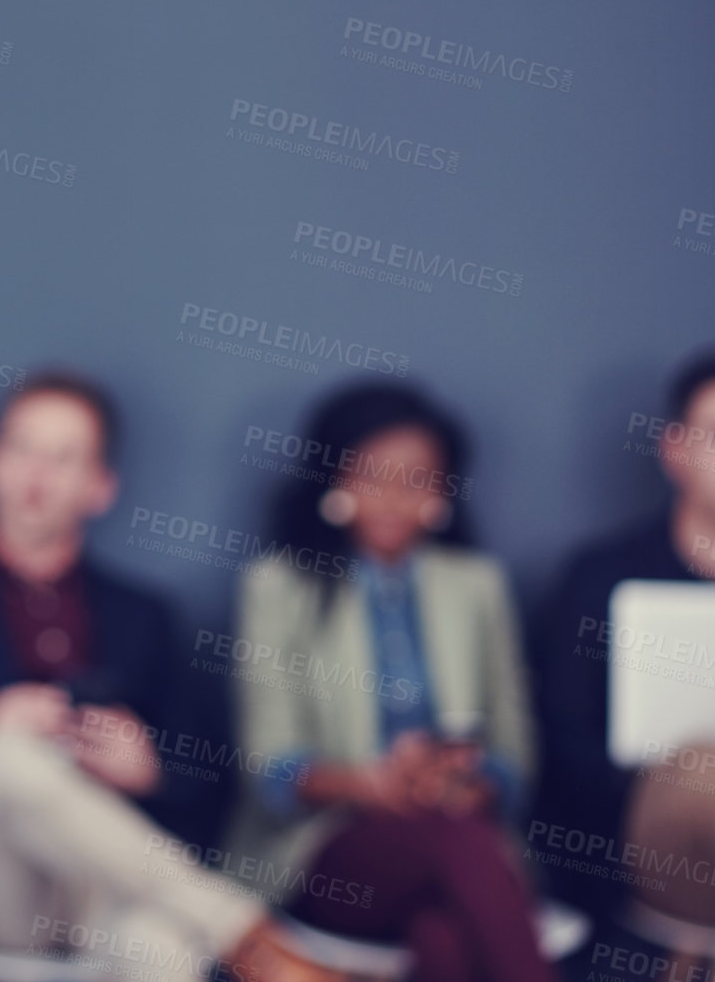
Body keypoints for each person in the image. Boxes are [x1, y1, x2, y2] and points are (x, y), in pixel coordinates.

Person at [0, 371, 277, 982]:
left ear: (100, 487)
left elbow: (214, 786)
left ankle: (235, 935)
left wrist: (150, 769)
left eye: (63, 457)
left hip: (109, 887)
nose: (37, 474)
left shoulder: (145, 617)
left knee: (163, 951)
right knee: (7, 756)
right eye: (21, 448)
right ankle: (249, 935)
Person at [222, 379, 555, 981]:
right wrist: (374, 787)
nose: (395, 497)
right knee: (451, 836)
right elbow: (269, 768)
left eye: (418, 478)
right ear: (336, 480)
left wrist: (468, 785)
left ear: (442, 492)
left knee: (444, 940)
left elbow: (513, 753)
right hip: (328, 849)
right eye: (373, 474)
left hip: (458, 843)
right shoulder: (279, 587)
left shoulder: (476, 586)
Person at [529, 346, 715, 929]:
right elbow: (567, 748)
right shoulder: (600, 577)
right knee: (704, 769)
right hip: (629, 836)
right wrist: (679, 785)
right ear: (676, 450)